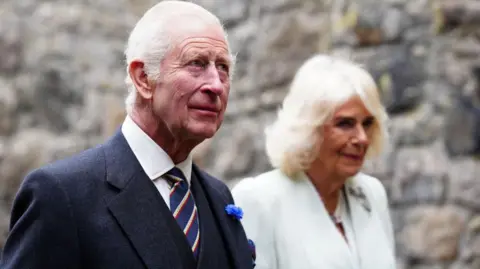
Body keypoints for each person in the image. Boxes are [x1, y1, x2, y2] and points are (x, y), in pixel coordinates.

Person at [0, 1, 254, 268]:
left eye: (223, 67)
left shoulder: (218, 197)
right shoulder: (61, 196)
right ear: (143, 78)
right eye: (196, 64)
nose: (215, 84)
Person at [232, 54, 396, 269]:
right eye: (345, 124)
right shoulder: (259, 200)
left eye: (367, 124)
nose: (362, 138)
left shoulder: (371, 194)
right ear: (309, 129)